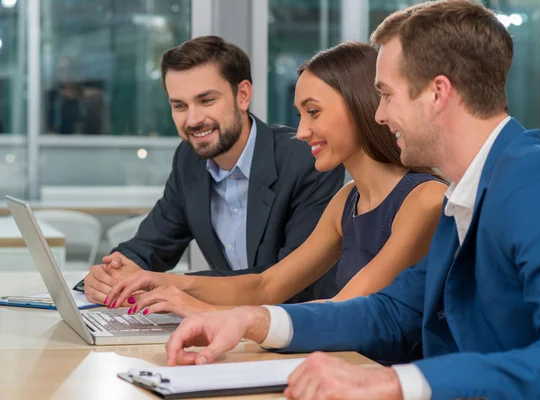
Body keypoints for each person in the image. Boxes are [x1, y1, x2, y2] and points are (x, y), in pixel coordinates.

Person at [163, 1, 540, 399]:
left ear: (437, 93)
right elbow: (390, 312)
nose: (378, 114)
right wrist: (251, 320)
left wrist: (396, 382)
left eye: (386, 94)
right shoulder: (465, 195)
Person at [103, 42, 447, 317]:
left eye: (313, 112)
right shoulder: (346, 201)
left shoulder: (426, 200)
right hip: (345, 365)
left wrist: (212, 313)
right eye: (300, 115)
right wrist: (154, 282)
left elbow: (347, 311)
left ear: (361, 105)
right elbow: (267, 286)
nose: (300, 131)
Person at [83, 35, 346, 306]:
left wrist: (170, 286)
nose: (193, 120)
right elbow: (151, 244)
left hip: (303, 332)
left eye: (206, 100)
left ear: (242, 95)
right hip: (230, 330)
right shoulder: (189, 160)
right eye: (180, 106)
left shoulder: (307, 159)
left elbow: (288, 284)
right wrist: (110, 273)